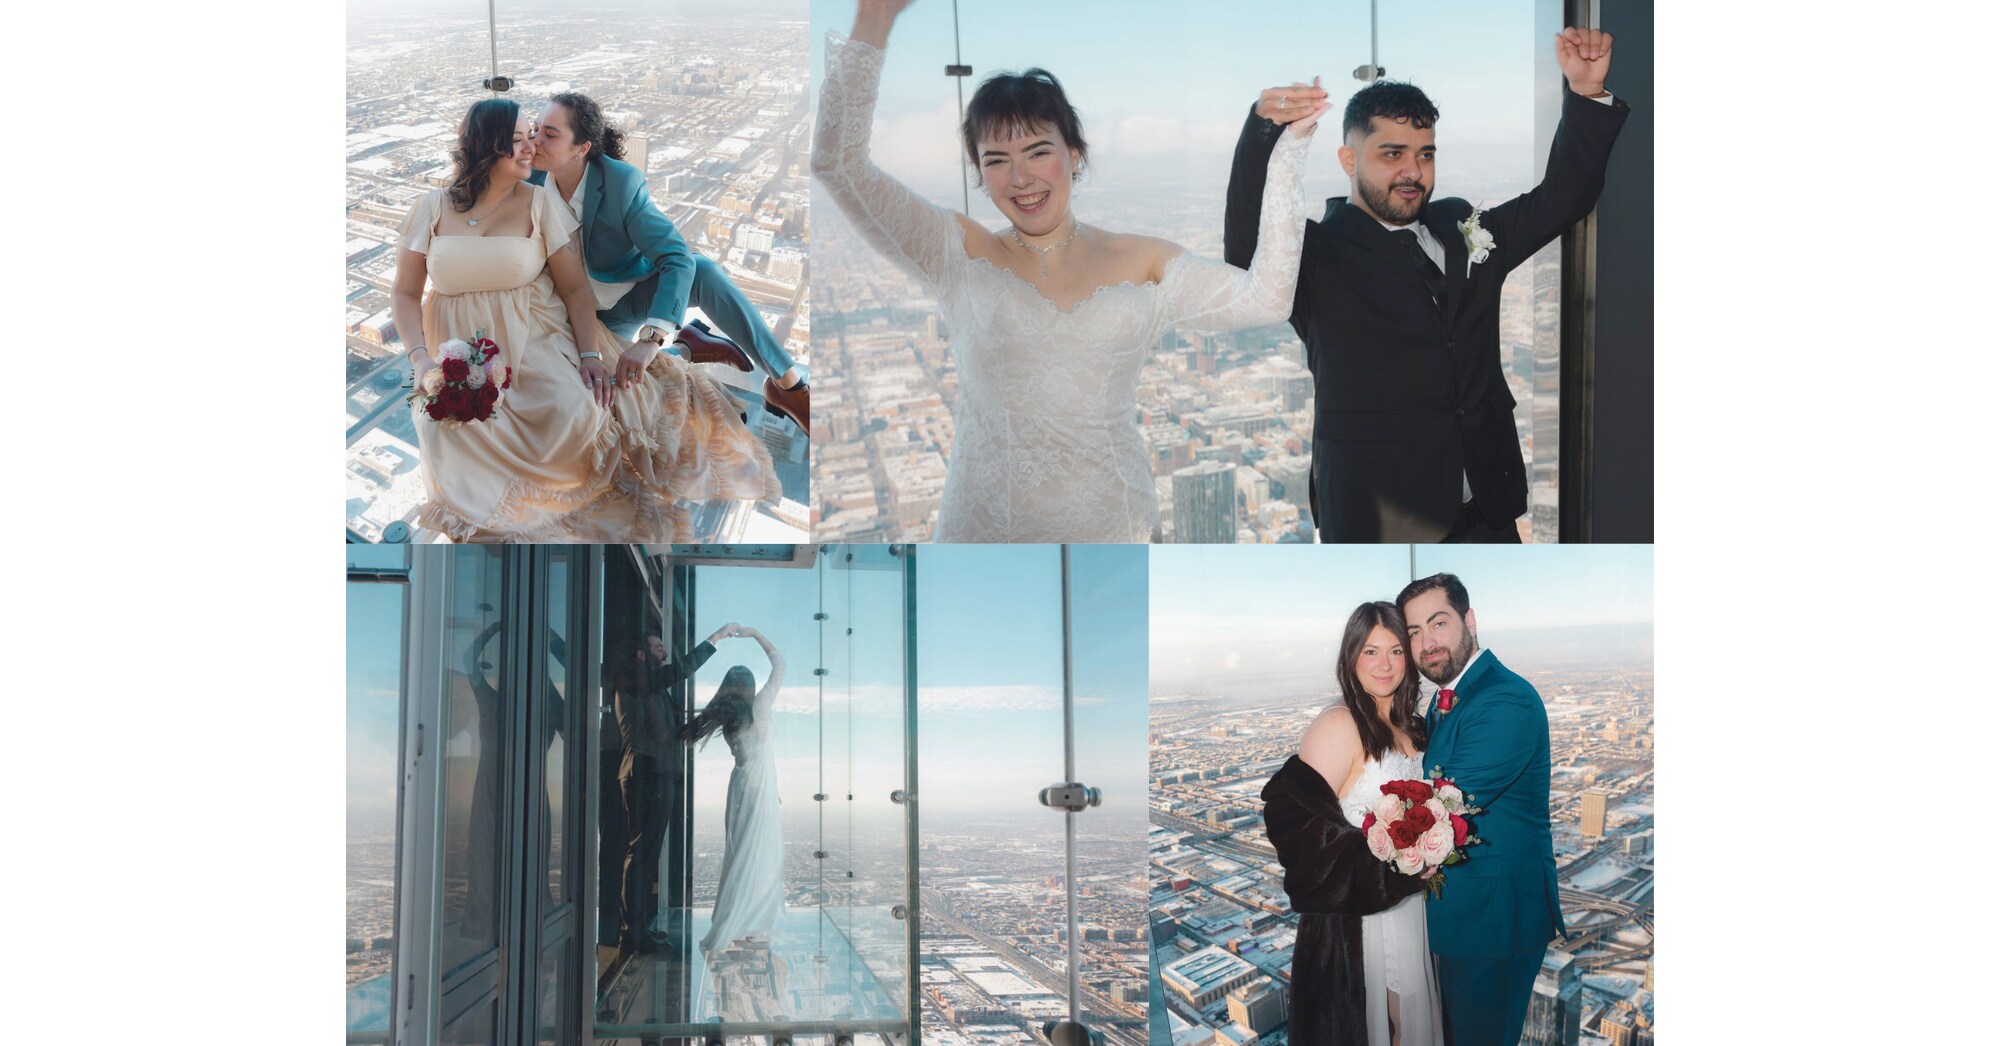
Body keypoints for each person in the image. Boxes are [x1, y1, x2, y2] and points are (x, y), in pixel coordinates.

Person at [814, 0, 1321, 542]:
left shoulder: (1143, 258)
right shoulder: (955, 253)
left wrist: (1289, 150)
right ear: (979, 174)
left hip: (1115, 533)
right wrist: (875, 15)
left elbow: (1267, 297)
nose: (1021, 177)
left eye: (1038, 151)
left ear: (1074, 153)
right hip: (983, 535)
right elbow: (837, 163)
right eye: (996, 160)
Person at [1225, 29, 1628, 542]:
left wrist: (1587, 93)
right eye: (1392, 154)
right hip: (1381, 521)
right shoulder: (1315, 255)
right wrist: (1260, 132)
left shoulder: (1462, 227)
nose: (1413, 171)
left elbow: (1562, 200)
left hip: (1490, 507)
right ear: (1349, 161)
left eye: (1426, 154)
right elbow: (1246, 254)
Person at [389, 98, 777, 543]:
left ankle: (687, 351)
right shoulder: (431, 207)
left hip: (534, 332)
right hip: (457, 343)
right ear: (484, 147)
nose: (530, 148)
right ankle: (507, 532)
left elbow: (575, 289)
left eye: (533, 136)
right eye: (517, 140)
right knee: (445, 433)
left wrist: (590, 354)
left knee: (575, 412)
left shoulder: (540, 204)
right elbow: (404, 292)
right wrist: (420, 360)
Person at [528, 92, 812, 434]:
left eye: (550, 133)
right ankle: (687, 347)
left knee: (702, 270)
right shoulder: (528, 177)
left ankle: (789, 385)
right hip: (570, 311)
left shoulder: (620, 184)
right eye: (535, 129)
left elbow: (676, 257)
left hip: (627, 297)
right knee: (600, 394)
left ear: (581, 148)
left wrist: (651, 338)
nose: (535, 141)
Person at [1262, 602, 1440, 1045]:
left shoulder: (1412, 727)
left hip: (1413, 908)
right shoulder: (1340, 724)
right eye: (1370, 651)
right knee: (1376, 1025)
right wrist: (1387, 867)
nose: (1385, 664)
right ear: (1351, 657)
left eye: (1396, 651)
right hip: (1359, 919)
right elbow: (1290, 823)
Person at [1397, 573, 1563, 1046]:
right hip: (1464, 919)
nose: (1427, 643)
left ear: (1469, 621)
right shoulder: (1448, 700)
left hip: (1493, 924)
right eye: (1413, 633)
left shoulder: (1505, 699)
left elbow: (1441, 804)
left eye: (1439, 623)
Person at [608, 624, 737, 954]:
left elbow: (666, 733)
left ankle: (636, 931)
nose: (665, 653)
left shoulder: (648, 686)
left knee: (646, 855)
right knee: (641, 855)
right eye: (659, 648)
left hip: (653, 773)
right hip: (647, 774)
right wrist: (717, 637)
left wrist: (706, 718)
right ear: (642, 654)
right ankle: (631, 935)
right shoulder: (637, 680)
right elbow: (680, 669)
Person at [682, 624, 786, 954]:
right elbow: (780, 664)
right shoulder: (760, 707)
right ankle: (752, 924)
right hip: (759, 790)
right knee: (762, 856)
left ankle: (741, 922)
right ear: (751, 686)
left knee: (741, 853)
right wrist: (756, 634)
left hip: (741, 786)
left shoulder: (727, 715)